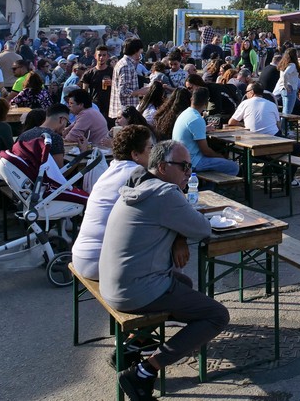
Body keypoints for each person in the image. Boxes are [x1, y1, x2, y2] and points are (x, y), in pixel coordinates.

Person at [99, 140, 229, 401]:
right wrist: (183, 229)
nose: (188, 173)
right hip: (136, 290)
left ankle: (131, 346)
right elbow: (203, 228)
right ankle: (144, 372)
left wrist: (179, 237)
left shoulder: (139, 184)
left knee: (183, 283)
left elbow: (173, 221)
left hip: (113, 284)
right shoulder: (166, 194)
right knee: (217, 315)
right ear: (161, 167)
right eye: (183, 166)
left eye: (190, 167)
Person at [71, 125, 154, 280]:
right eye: (150, 148)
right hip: (100, 262)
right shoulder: (137, 175)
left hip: (81, 255)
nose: (153, 152)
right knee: (165, 257)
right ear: (135, 154)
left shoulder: (111, 170)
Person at [173, 87, 240, 176]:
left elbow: (191, 129)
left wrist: (204, 129)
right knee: (234, 167)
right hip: (193, 162)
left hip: (180, 158)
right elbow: (206, 151)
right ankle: (211, 185)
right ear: (206, 102)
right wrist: (221, 157)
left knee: (221, 162)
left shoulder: (185, 114)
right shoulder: (197, 119)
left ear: (191, 99)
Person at [110, 38, 148, 118]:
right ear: (135, 50)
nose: (141, 52)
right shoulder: (126, 66)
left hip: (123, 112)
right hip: (125, 113)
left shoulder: (124, 63)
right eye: (140, 50)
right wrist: (141, 91)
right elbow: (123, 91)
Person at [80, 45, 114, 123]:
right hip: (95, 106)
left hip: (110, 107)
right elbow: (84, 93)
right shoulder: (89, 74)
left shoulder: (113, 71)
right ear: (95, 56)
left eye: (104, 55)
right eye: (99, 55)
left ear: (107, 57)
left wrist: (113, 83)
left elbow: (120, 87)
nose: (101, 58)